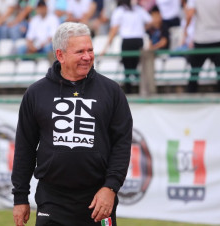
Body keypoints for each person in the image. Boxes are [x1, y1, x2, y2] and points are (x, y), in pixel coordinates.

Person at [12, 22, 132, 226]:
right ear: (61, 55)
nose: (87, 56)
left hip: (98, 199)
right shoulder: (36, 93)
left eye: (90, 50)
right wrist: (20, 197)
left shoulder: (112, 92)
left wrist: (110, 188)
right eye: (80, 51)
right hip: (52, 199)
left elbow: (122, 145)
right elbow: (25, 147)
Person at [101, 0, 152, 94]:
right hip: (139, 40)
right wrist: (141, 29)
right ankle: (141, 90)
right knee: (136, 66)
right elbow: (150, 21)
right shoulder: (138, 9)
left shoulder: (119, 11)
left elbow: (113, 30)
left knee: (127, 68)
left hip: (127, 41)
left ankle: (128, 92)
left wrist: (106, 47)